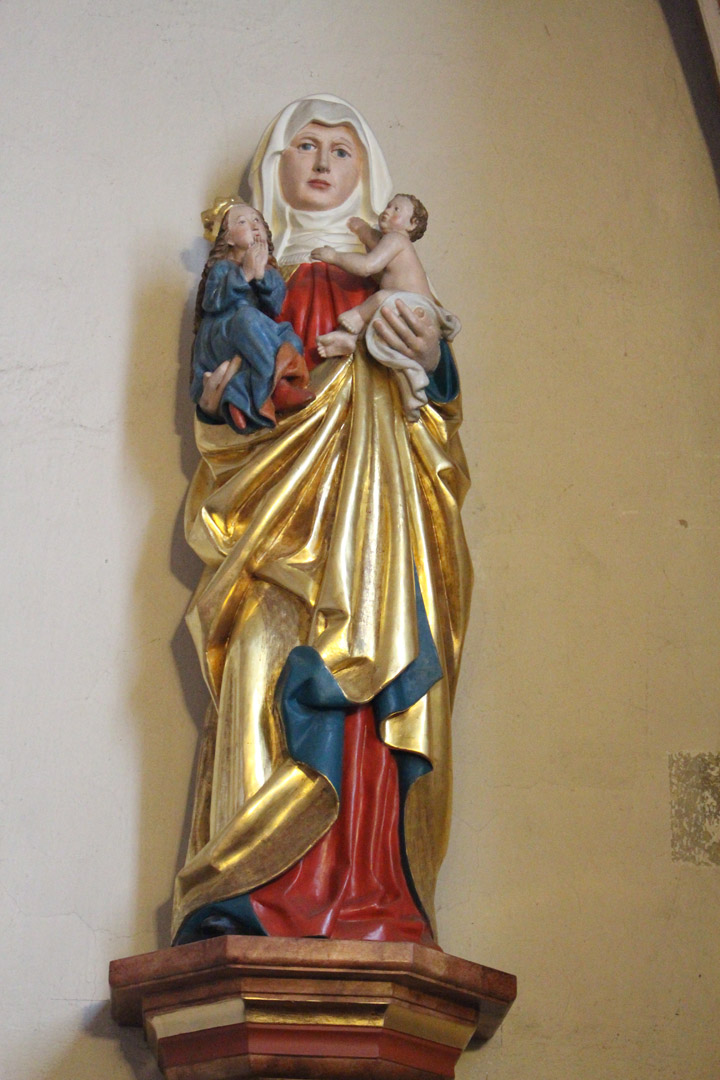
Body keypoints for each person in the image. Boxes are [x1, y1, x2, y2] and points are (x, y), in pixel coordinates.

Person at [172, 95, 472, 949]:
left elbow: (438, 414)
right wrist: (220, 402)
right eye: (304, 146)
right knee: (260, 666)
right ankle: (246, 891)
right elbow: (223, 424)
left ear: (366, 172)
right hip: (275, 522)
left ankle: (372, 893)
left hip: (377, 522)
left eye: (341, 150)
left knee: (368, 677)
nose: (322, 162)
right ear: (276, 167)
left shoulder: (389, 270)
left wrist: (429, 359)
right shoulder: (251, 280)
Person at [312, 194, 461, 420]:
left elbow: (367, 265)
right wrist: (362, 229)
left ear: (412, 224)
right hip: (407, 307)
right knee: (393, 347)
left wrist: (335, 256)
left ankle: (356, 321)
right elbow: (375, 241)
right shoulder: (390, 242)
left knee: (382, 298)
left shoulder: (396, 240)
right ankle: (410, 391)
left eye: (396, 209)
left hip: (413, 306)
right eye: (388, 206)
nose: (388, 211)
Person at [191, 200, 312, 433]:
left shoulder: (269, 271)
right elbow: (212, 302)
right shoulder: (223, 268)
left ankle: (239, 399)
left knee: (290, 338)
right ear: (228, 239)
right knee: (246, 318)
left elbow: (275, 305)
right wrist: (244, 273)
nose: (254, 225)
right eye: (242, 222)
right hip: (223, 330)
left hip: (252, 329)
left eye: (257, 220)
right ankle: (276, 389)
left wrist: (261, 275)